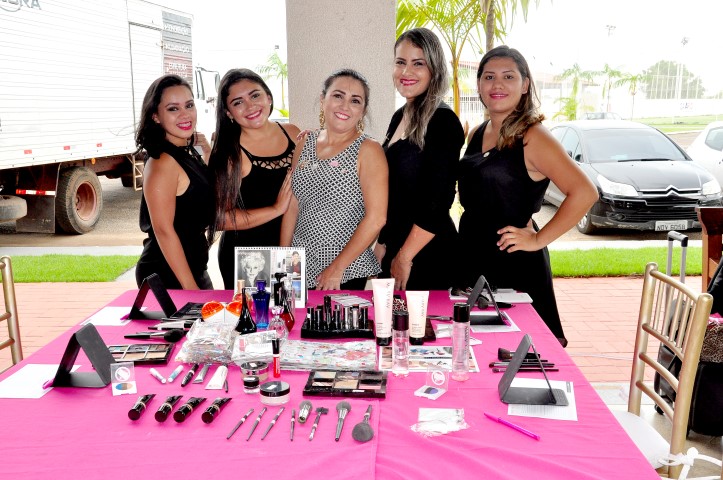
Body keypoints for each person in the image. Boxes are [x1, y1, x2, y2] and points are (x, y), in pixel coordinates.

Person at [457, 46, 598, 346]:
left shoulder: (533, 137)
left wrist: (537, 240)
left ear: (525, 85)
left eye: (508, 76)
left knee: (518, 354)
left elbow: (585, 192)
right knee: (476, 351)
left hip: (513, 263)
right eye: (489, 77)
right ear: (479, 84)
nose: (497, 84)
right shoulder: (478, 132)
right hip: (472, 257)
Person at [281, 69, 388, 290]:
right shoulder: (304, 143)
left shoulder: (369, 149)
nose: (345, 106)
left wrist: (336, 268)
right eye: (338, 96)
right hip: (299, 262)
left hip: (344, 270)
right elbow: (292, 205)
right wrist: (282, 259)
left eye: (355, 101)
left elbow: (376, 218)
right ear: (323, 100)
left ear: (363, 111)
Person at [375, 28, 465, 291]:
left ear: (434, 70)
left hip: (426, 256)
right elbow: (395, 191)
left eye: (418, 63)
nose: (406, 71)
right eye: (400, 62)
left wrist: (405, 257)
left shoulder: (443, 121)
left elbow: (438, 202)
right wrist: (383, 242)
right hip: (397, 246)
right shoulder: (400, 115)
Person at [208, 68, 300, 289]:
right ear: (228, 112)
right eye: (238, 102)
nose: (250, 106)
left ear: (268, 97)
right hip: (249, 257)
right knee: (257, 312)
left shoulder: (292, 132)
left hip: (291, 249)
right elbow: (220, 219)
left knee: (290, 310)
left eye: (255, 95)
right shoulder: (229, 152)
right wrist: (276, 209)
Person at [134, 74, 215, 290]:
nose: (185, 114)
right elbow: (164, 230)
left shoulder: (184, 154)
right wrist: (191, 288)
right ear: (155, 116)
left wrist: (207, 152)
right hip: (168, 275)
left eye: (189, 105)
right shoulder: (162, 161)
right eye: (173, 108)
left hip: (192, 268)